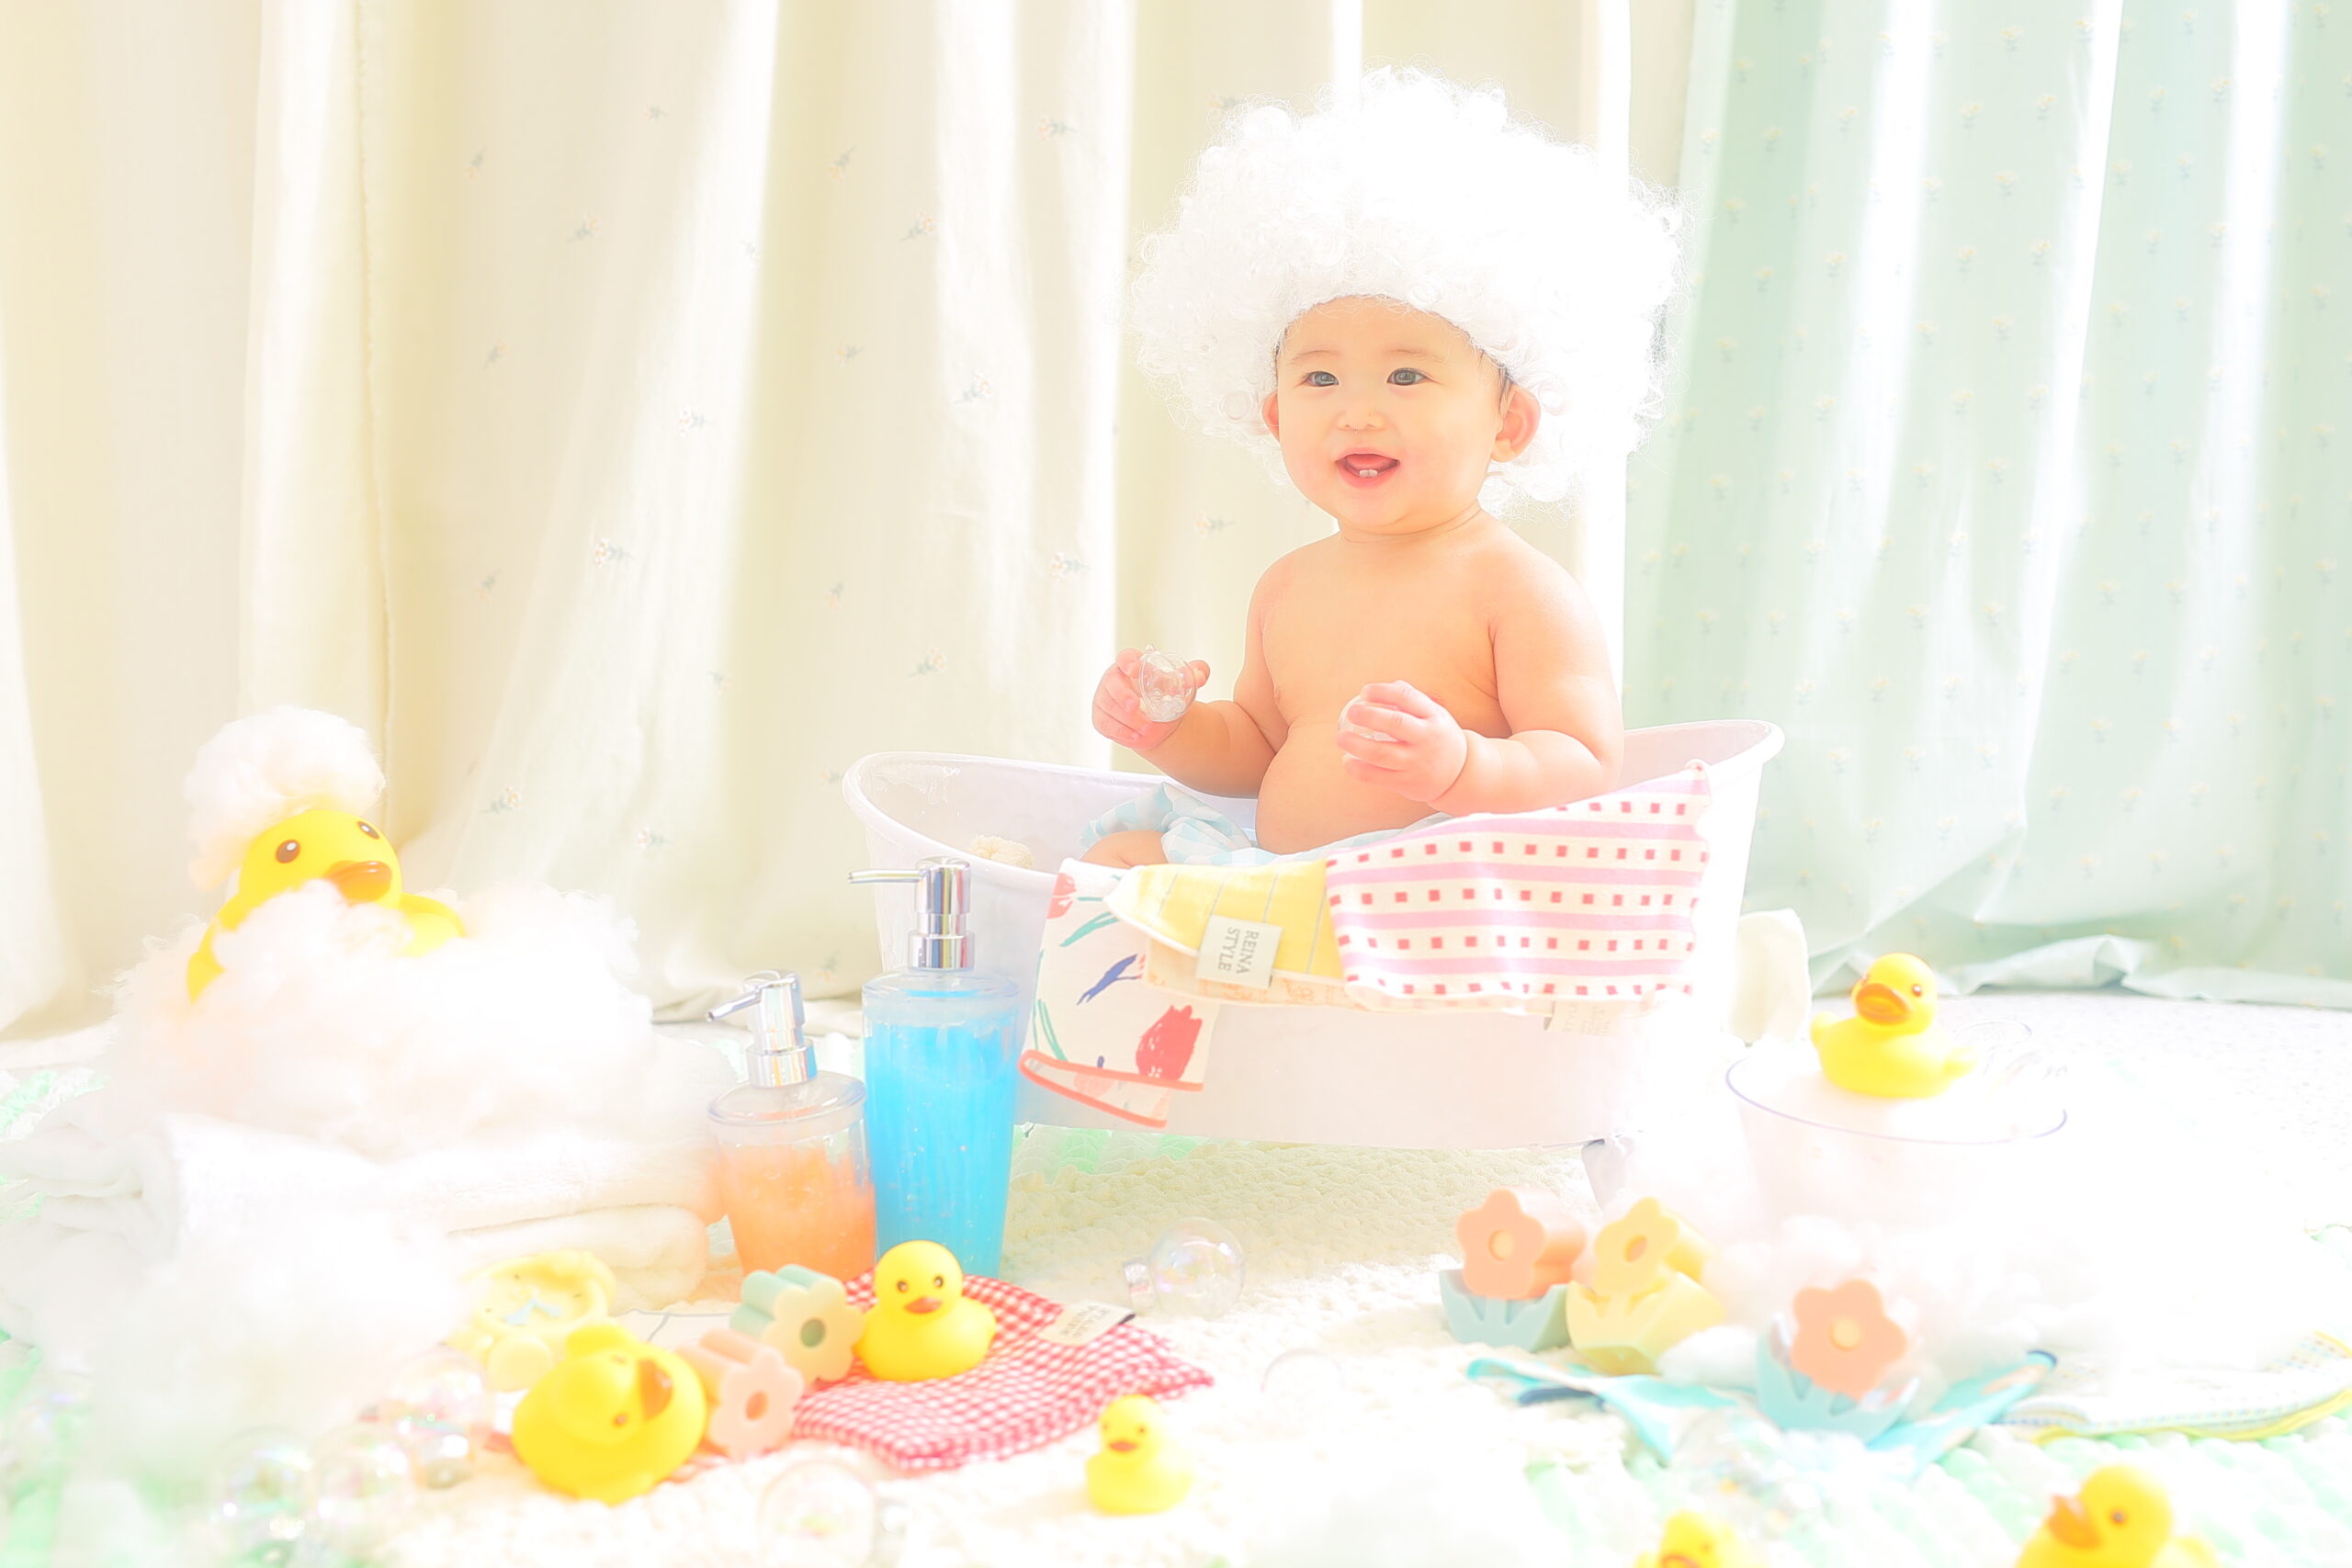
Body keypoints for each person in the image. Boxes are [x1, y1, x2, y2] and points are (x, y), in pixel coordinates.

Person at [1083, 71, 1678, 868]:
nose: (1356, 412)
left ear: (1508, 424)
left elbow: (1583, 758)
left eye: (1405, 376)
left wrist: (1463, 766)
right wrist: (1170, 728)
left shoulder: (1519, 590)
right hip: (1283, 882)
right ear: (1275, 418)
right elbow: (1257, 748)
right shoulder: (1287, 587)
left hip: (1434, 890)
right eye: (1320, 378)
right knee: (1117, 859)